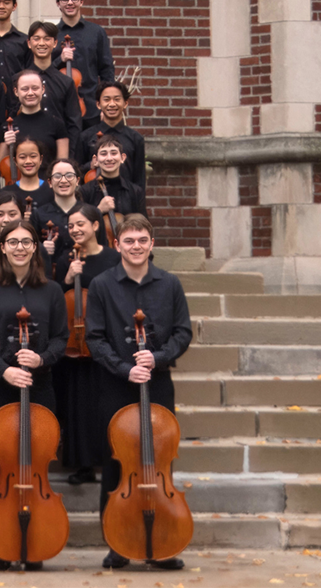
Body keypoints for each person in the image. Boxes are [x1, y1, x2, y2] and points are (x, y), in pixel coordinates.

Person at [84, 215, 191, 571]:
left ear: (152, 243)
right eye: (128, 241)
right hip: (116, 386)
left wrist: (157, 357)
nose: (135, 246)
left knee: (160, 462)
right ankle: (118, 543)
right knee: (117, 467)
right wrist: (124, 367)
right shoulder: (101, 285)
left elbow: (182, 333)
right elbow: (94, 339)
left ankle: (162, 542)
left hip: (157, 383)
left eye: (142, 240)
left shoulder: (170, 284)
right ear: (117, 245)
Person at [0, 219, 69, 571]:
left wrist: (41, 359)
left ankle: (37, 539)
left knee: (36, 463)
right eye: (14, 242)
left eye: (27, 242)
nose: (21, 248)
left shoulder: (52, 290)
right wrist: (5, 369)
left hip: (40, 387)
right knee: (2, 465)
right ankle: (2, 543)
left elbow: (61, 338)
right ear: (1, 246)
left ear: (36, 247)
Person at [51, 203, 120, 485]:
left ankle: (110, 461)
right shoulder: (68, 260)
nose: (76, 229)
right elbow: (55, 298)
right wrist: (67, 278)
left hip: (105, 338)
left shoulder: (114, 258)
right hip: (75, 343)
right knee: (79, 405)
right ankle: (84, 465)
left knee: (105, 403)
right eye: (71, 226)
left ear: (95, 226)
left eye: (81, 224)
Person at [53, 0, 115, 119]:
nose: (70, 3)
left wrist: (106, 104)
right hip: (59, 107)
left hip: (91, 106)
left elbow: (106, 70)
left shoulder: (96, 32)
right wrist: (60, 60)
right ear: (58, 4)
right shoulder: (52, 34)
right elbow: (43, 69)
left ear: (81, 2)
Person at [79, 136, 146, 247]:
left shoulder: (135, 191)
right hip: (96, 252)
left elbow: (144, 227)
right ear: (96, 160)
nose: (109, 158)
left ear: (122, 158)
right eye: (104, 154)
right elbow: (79, 227)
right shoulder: (85, 191)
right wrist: (98, 210)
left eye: (114, 153)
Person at [77, 81, 146, 189]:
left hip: (126, 199)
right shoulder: (85, 136)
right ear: (98, 104)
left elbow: (139, 180)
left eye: (117, 99)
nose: (112, 104)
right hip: (93, 200)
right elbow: (76, 172)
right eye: (107, 99)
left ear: (125, 103)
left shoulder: (135, 138)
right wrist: (89, 165)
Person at [18, 20, 83, 128]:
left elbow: (74, 123)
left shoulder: (66, 82)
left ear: (55, 43)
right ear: (29, 43)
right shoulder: (18, 80)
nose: (42, 43)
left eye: (47, 39)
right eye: (36, 39)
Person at [0, 69, 71, 167]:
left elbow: (62, 165)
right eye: (25, 89)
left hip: (48, 181)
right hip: (18, 181)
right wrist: (7, 146)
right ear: (16, 92)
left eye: (35, 88)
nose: (30, 93)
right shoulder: (8, 126)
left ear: (43, 89)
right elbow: (1, 167)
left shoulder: (57, 124)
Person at [4, 137, 54, 211]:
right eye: (22, 157)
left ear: (41, 159)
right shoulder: (6, 192)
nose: (28, 161)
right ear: (15, 161)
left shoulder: (52, 191)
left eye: (33, 156)